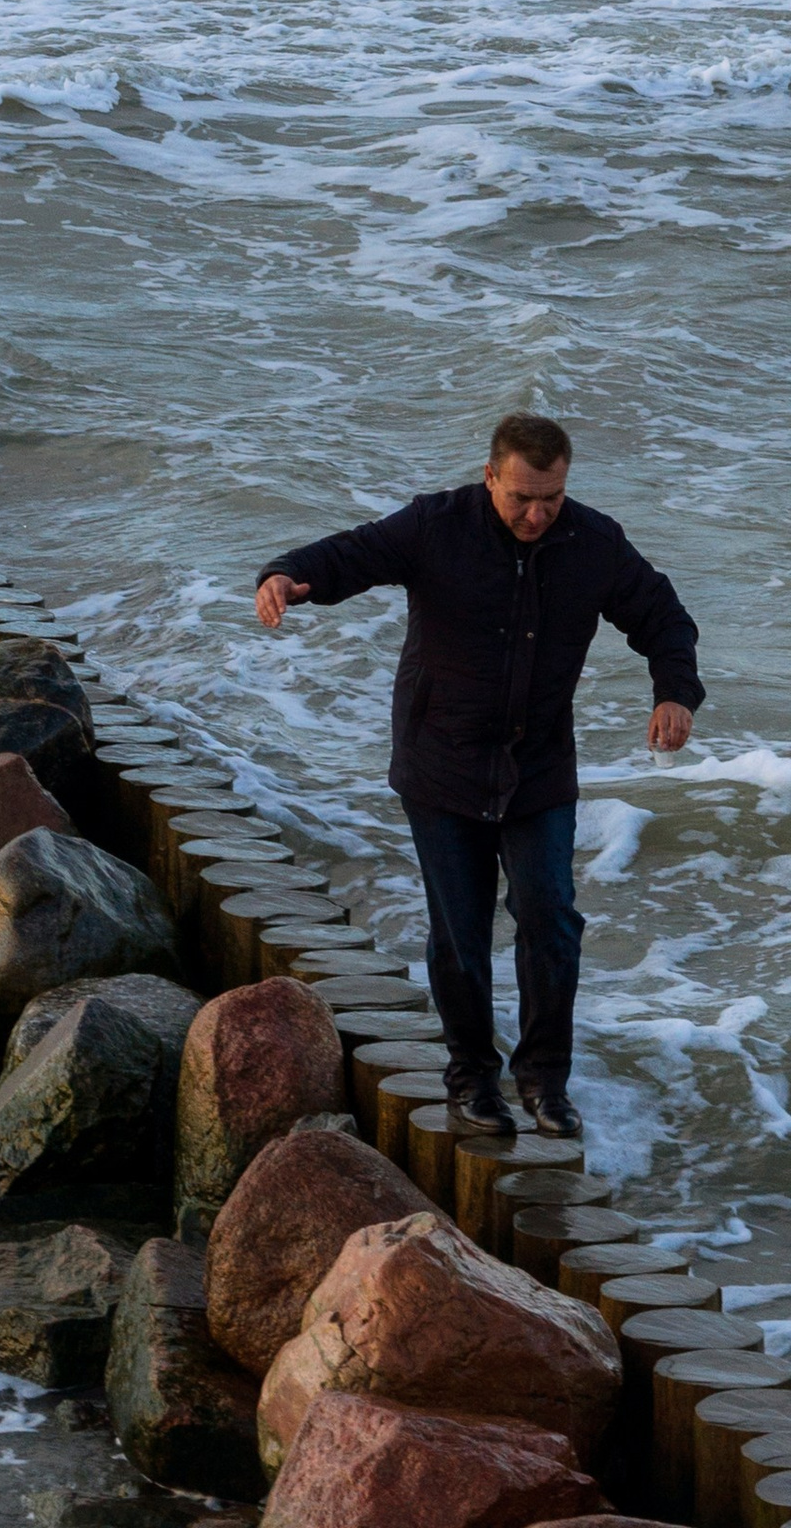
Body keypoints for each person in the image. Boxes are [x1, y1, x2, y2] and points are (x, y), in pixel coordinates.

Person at [254, 411, 701, 1143]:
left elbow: (663, 616)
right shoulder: (436, 526)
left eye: (552, 498)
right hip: (441, 764)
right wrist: (285, 575)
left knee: (550, 918)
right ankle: (472, 1080)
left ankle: (544, 1081)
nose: (537, 515)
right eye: (522, 497)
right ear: (490, 476)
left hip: (538, 770)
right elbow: (352, 554)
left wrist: (674, 691)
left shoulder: (594, 542)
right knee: (460, 934)